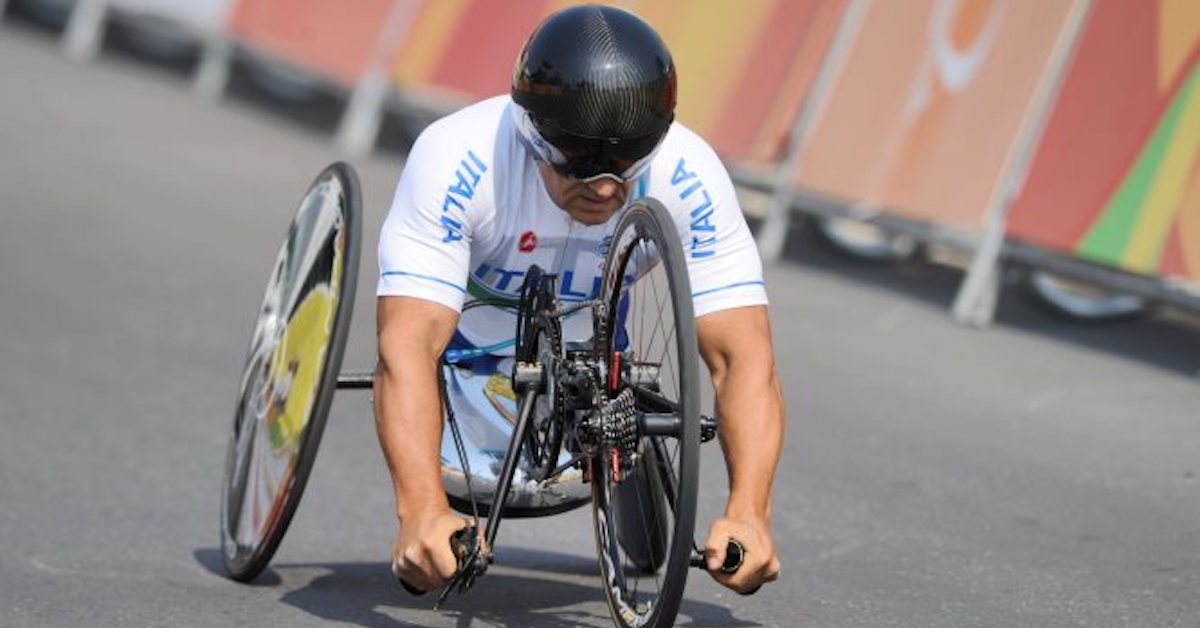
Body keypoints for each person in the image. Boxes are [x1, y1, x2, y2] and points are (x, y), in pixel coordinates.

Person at [374, 3, 785, 597]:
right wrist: (419, 509)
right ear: (530, 129)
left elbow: (743, 358)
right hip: (459, 352)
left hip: (590, 342)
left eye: (624, 163)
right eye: (577, 159)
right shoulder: (457, 157)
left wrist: (751, 509)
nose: (602, 186)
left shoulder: (690, 174)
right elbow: (407, 343)